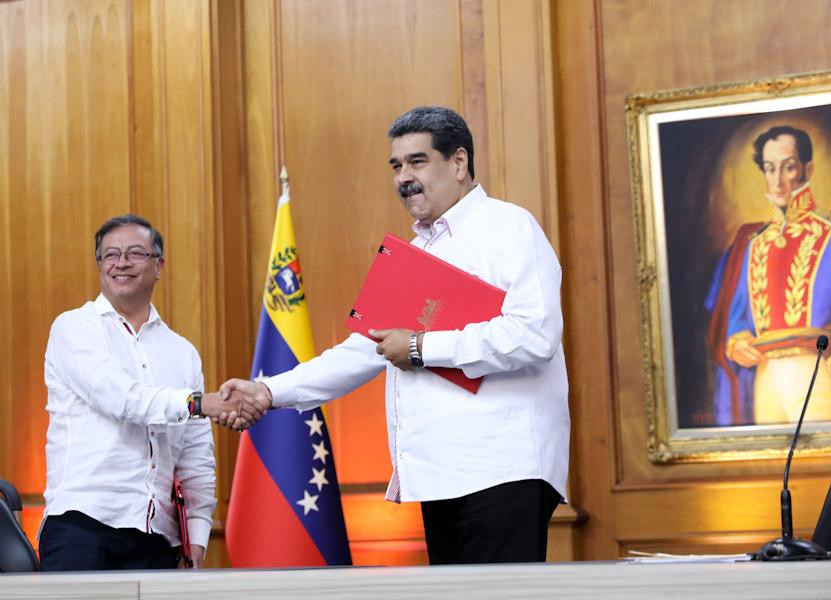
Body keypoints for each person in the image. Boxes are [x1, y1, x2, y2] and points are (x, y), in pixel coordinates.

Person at [222, 106, 570, 565]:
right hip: (439, 477)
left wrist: (421, 347)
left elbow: (533, 335)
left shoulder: (509, 228)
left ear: (460, 163)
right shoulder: (418, 250)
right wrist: (269, 390)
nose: (404, 177)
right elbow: (364, 349)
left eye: (417, 162)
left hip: (501, 473)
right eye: (396, 166)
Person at [39, 215, 243, 571]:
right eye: (110, 255)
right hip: (82, 525)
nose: (121, 263)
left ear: (158, 265)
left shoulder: (182, 352)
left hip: (157, 537)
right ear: (100, 264)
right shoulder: (74, 328)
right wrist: (200, 403)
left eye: (135, 253)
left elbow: (195, 455)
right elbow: (122, 399)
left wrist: (196, 538)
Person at [706, 125, 831, 425]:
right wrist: (737, 342)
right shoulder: (752, 243)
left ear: (807, 170)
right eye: (769, 169)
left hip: (816, 373)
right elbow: (738, 320)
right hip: (766, 378)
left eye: (788, 167)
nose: (778, 181)